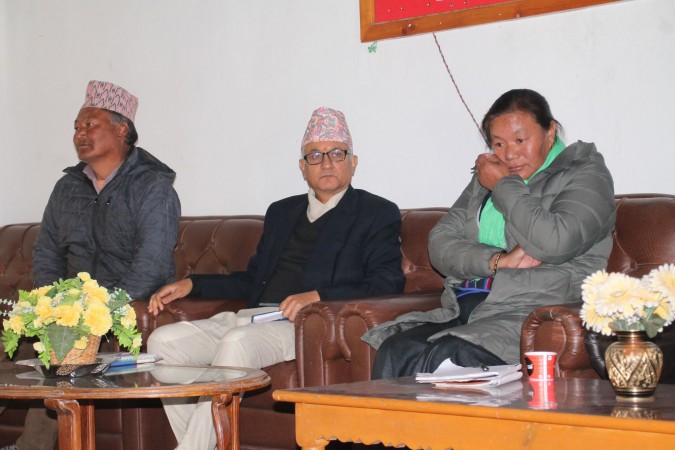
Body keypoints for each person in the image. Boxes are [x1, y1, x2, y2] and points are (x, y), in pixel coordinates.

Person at [147, 106, 406, 450]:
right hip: (252, 318)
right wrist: (193, 283)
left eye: (337, 153)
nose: (326, 163)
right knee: (163, 343)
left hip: (305, 326)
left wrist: (318, 295)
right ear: (302, 167)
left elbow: (387, 282)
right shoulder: (282, 211)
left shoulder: (376, 212)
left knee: (236, 344)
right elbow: (253, 280)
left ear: (353, 162)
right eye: (315, 155)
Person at [364, 88, 616, 379]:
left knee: (449, 356)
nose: (509, 154)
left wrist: (503, 186)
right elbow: (440, 243)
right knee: (395, 350)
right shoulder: (487, 177)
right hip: (465, 307)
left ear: (550, 132)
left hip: (529, 311)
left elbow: (554, 242)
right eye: (498, 143)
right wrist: (498, 260)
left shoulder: (586, 173)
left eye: (520, 140)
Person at [2, 80, 181, 450]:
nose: (80, 134)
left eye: (89, 125)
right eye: (76, 127)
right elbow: (47, 252)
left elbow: (151, 263)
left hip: (122, 307)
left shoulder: (152, 186)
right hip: (69, 307)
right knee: (26, 338)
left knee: (65, 352)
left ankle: (29, 447)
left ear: (122, 129)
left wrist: (99, 310)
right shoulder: (67, 187)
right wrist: (52, 304)